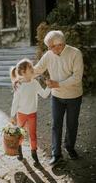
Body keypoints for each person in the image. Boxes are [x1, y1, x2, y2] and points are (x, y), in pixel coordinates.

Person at [34, 30, 84, 165]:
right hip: (56, 96)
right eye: (48, 47)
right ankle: (56, 154)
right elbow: (38, 69)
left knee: (72, 124)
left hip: (74, 96)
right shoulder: (49, 54)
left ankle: (69, 147)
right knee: (56, 125)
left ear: (60, 45)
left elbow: (77, 77)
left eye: (50, 47)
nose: (48, 49)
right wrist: (21, 75)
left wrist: (58, 84)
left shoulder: (75, 53)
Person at [10, 58, 51, 166]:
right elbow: (15, 102)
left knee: (33, 134)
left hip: (32, 114)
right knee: (20, 134)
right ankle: (19, 150)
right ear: (23, 72)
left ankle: (34, 153)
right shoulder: (19, 85)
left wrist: (49, 86)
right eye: (30, 67)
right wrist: (12, 116)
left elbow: (44, 95)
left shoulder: (35, 83)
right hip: (21, 114)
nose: (33, 68)